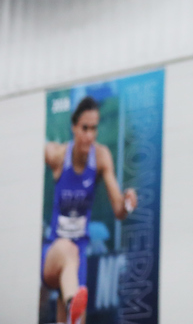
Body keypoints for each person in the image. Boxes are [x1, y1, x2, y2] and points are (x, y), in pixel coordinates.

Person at [42, 96, 138, 324]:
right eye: (84, 128)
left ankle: (71, 308)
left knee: (74, 317)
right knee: (67, 249)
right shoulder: (57, 155)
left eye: (94, 129)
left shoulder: (101, 156)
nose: (89, 135)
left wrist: (127, 204)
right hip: (53, 250)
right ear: (74, 128)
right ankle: (70, 303)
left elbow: (118, 210)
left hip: (79, 255)